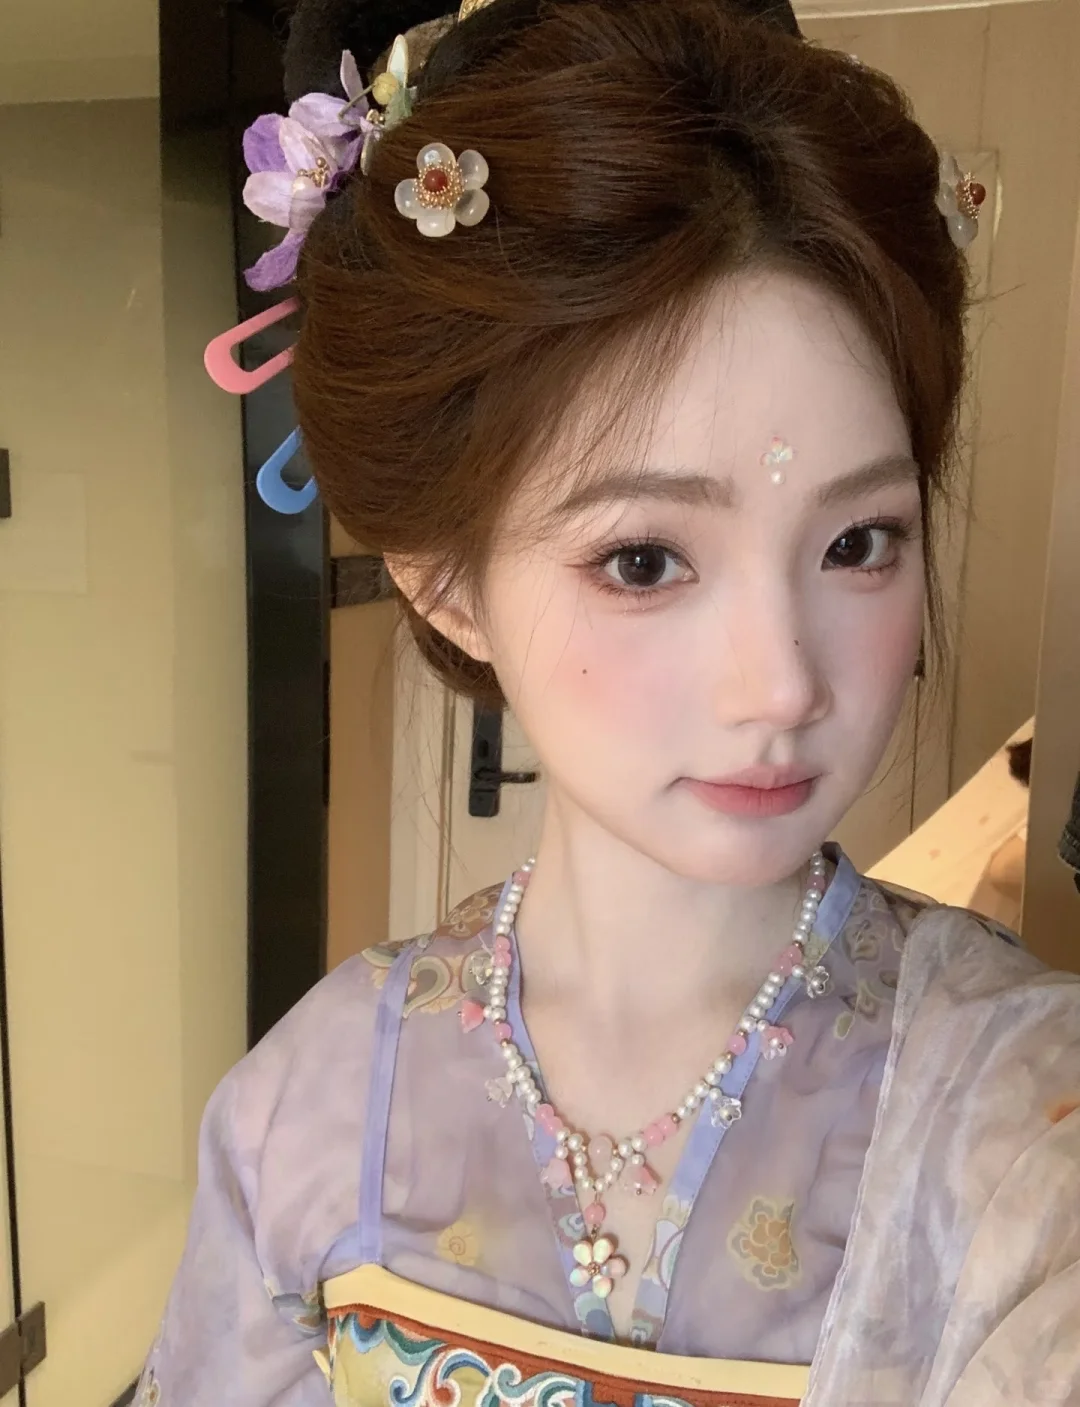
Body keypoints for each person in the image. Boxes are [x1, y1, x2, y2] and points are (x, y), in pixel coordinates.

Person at [139, 0, 1080, 1402]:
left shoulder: (1022, 1121)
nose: (783, 681)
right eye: (644, 560)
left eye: (858, 541)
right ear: (445, 582)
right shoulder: (311, 1109)